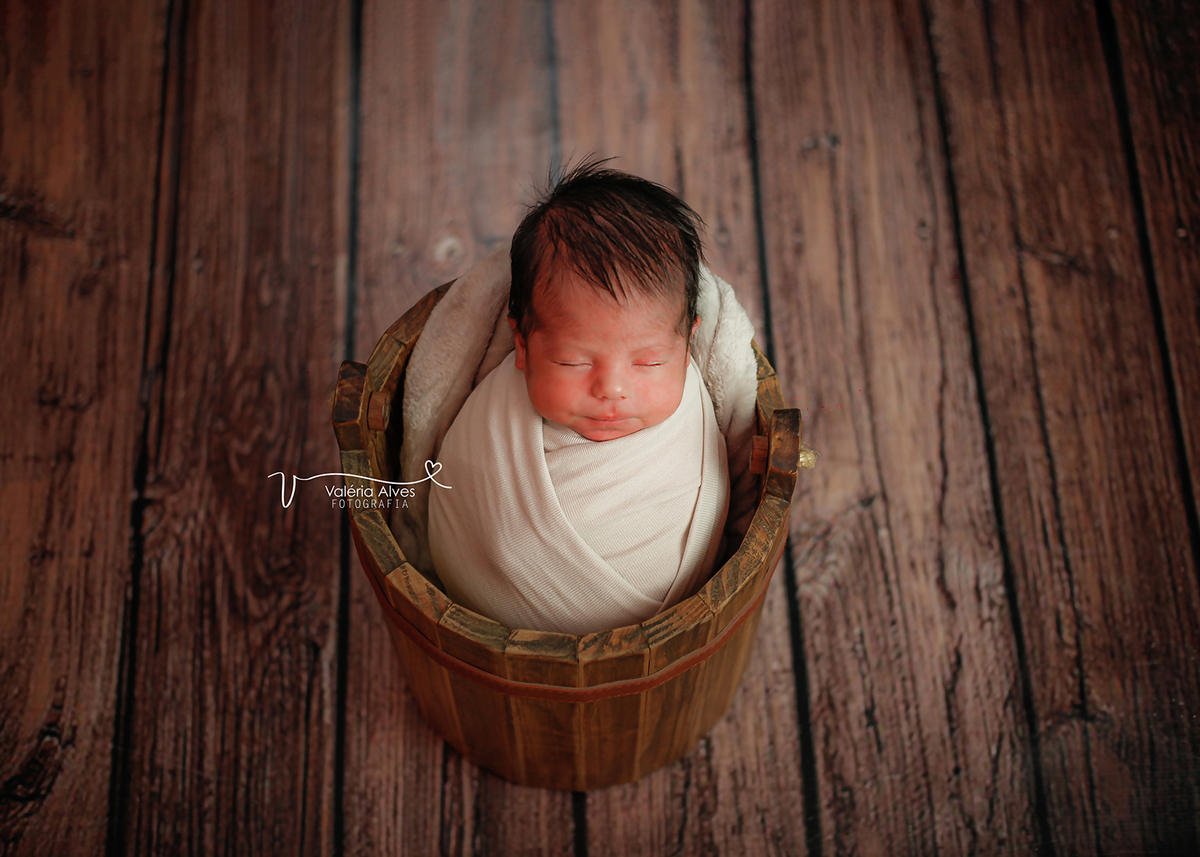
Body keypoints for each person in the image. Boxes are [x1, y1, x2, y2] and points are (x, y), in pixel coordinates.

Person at [427, 160, 732, 635]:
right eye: (573, 362)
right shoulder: (492, 416)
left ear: (688, 344)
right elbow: (460, 496)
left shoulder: (691, 423)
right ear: (522, 344)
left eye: (649, 362)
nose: (612, 388)